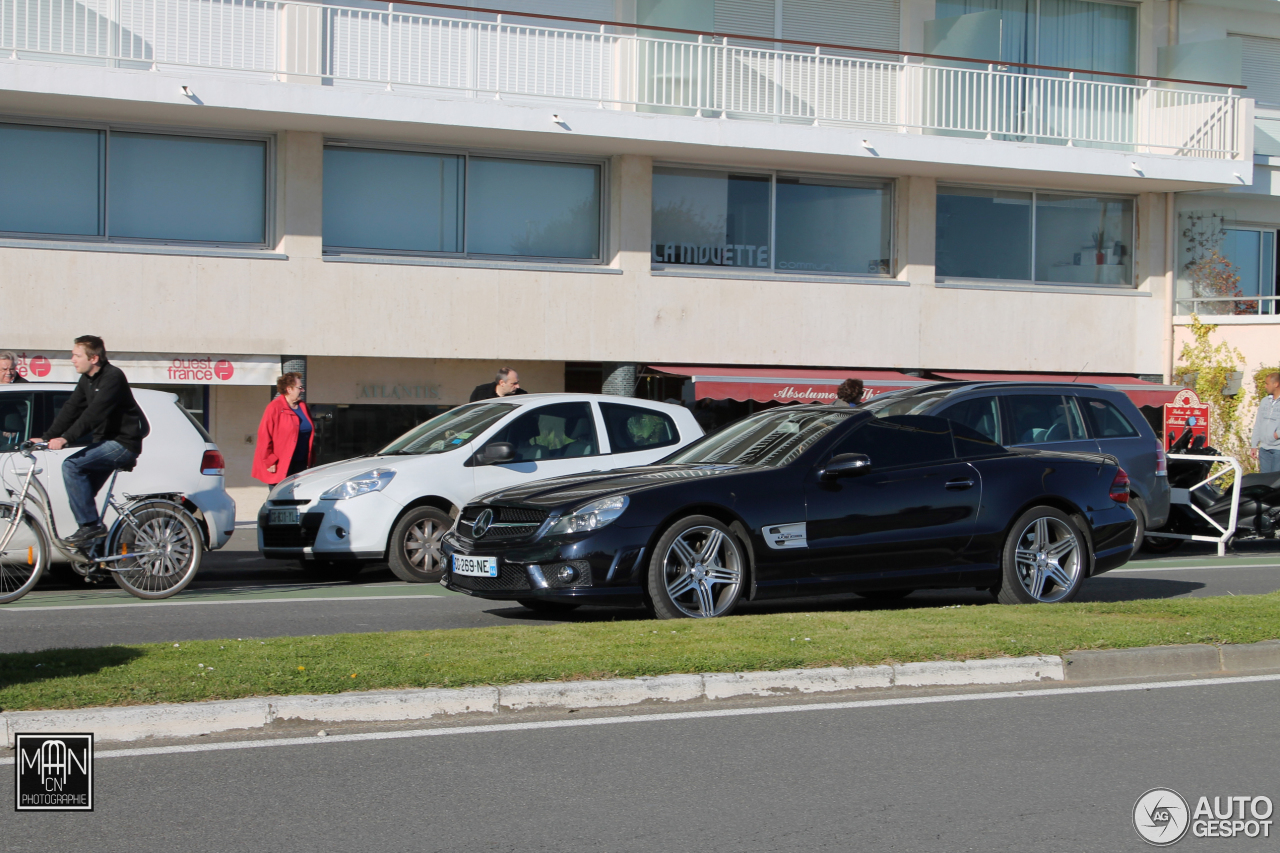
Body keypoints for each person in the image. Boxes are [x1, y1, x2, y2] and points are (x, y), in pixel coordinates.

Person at [38, 336, 148, 545]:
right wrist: (47, 436)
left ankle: (91, 526)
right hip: (103, 443)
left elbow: (94, 414)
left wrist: (65, 438)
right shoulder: (87, 380)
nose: (72, 360)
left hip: (122, 443)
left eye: (77, 355)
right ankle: (95, 556)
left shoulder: (113, 377)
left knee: (71, 465)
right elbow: (71, 409)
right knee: (83, 493)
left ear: (94, 358)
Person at [252, 373, 315, 484]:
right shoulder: (274, 407)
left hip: (301, 463)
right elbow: (264, 436)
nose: (302, 390)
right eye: (299, 387)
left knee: (299, 499)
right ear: (289, 389)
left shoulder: (303, 407)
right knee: (280, 499)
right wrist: (270, 461)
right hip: (280, 464)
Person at [1251, 372, 1280, 474]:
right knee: (1265, 482)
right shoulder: (1264, 401)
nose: (1265, 386)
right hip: (1264, 450)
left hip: (1278, 450)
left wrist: (1276, 435)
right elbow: (1258, 423)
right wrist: (1254, 444)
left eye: (1267, 384)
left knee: (1276, 482)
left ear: (1276, 384)